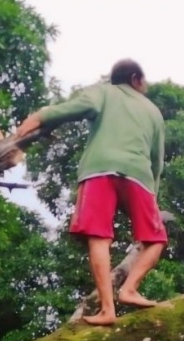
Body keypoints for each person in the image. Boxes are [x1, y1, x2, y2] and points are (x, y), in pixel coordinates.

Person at [15, 59, 167, 326]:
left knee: (99, 237)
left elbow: (75, 108)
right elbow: (157, 159)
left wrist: (38, 117)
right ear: (135, 78)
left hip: (99, 169)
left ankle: (108, 310)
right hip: (139, 175)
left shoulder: (103, 92)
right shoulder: (153, 111)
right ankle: (130, 288)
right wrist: (151, 194)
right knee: (155, 240)